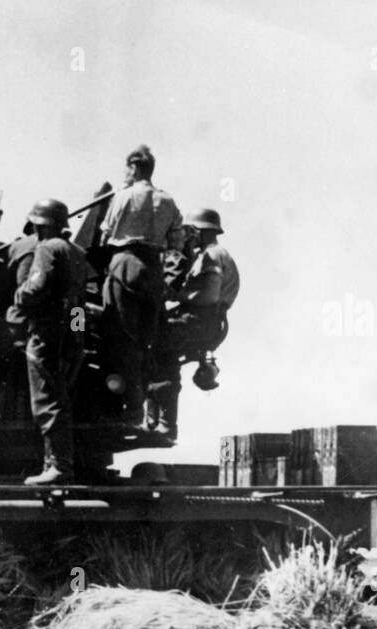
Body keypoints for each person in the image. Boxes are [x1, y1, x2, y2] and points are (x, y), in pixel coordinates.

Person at [99, 144, 186, 429]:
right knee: (146, 340)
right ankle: (148, 410)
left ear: (134, 168)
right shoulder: (168, 201)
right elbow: (177, 244)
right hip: (153, 272)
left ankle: (132, 408)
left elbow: (104, 237)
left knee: (120, 336)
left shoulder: (123, 196)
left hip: (125, 265)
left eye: (127, 168)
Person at [12, 198, 90, 485]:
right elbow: (80, 302)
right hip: (70, 334)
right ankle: (54, 465)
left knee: (46, 400)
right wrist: (76, 337)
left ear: (39, 225)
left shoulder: (46, 248)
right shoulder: (78, 252)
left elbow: (35, 289)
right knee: (61, 398)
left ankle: (58, 467)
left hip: (46, 335)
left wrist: (19, 295)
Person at [150, 208, 240, 441]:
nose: (187, 236)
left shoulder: (210, 255)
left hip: (199, 321)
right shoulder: (215, 254)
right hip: (206, 322)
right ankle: (159, 421)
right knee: (157, 351)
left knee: (157, 350)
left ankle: (161, 423)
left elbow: (208, 295)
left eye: (190, 231)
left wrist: (176, 296)